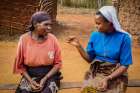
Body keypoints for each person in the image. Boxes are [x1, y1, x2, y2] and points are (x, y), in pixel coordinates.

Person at [67, 6, 132, 93]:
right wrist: (78, 46)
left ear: (110, 22)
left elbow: (125, 65)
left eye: (98, 23)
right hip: (97, 71)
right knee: (88, 91)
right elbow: (89, 59)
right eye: (95, 23)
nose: (96, 26)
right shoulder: (95, 35)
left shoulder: (124, 38)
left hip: (116, 74)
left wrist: (108, 78)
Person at [13, 11, 62, 93]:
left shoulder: (53, 39)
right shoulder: (24, 39)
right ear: (35, 24)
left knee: (48, 91)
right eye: (46, 24)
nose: (49, 27)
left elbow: (58, 64)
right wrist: (30, 81)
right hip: (30, 75)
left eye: (50, 25)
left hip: (50, 75)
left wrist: (45, 78)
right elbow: (20, 66)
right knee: (24, 91)